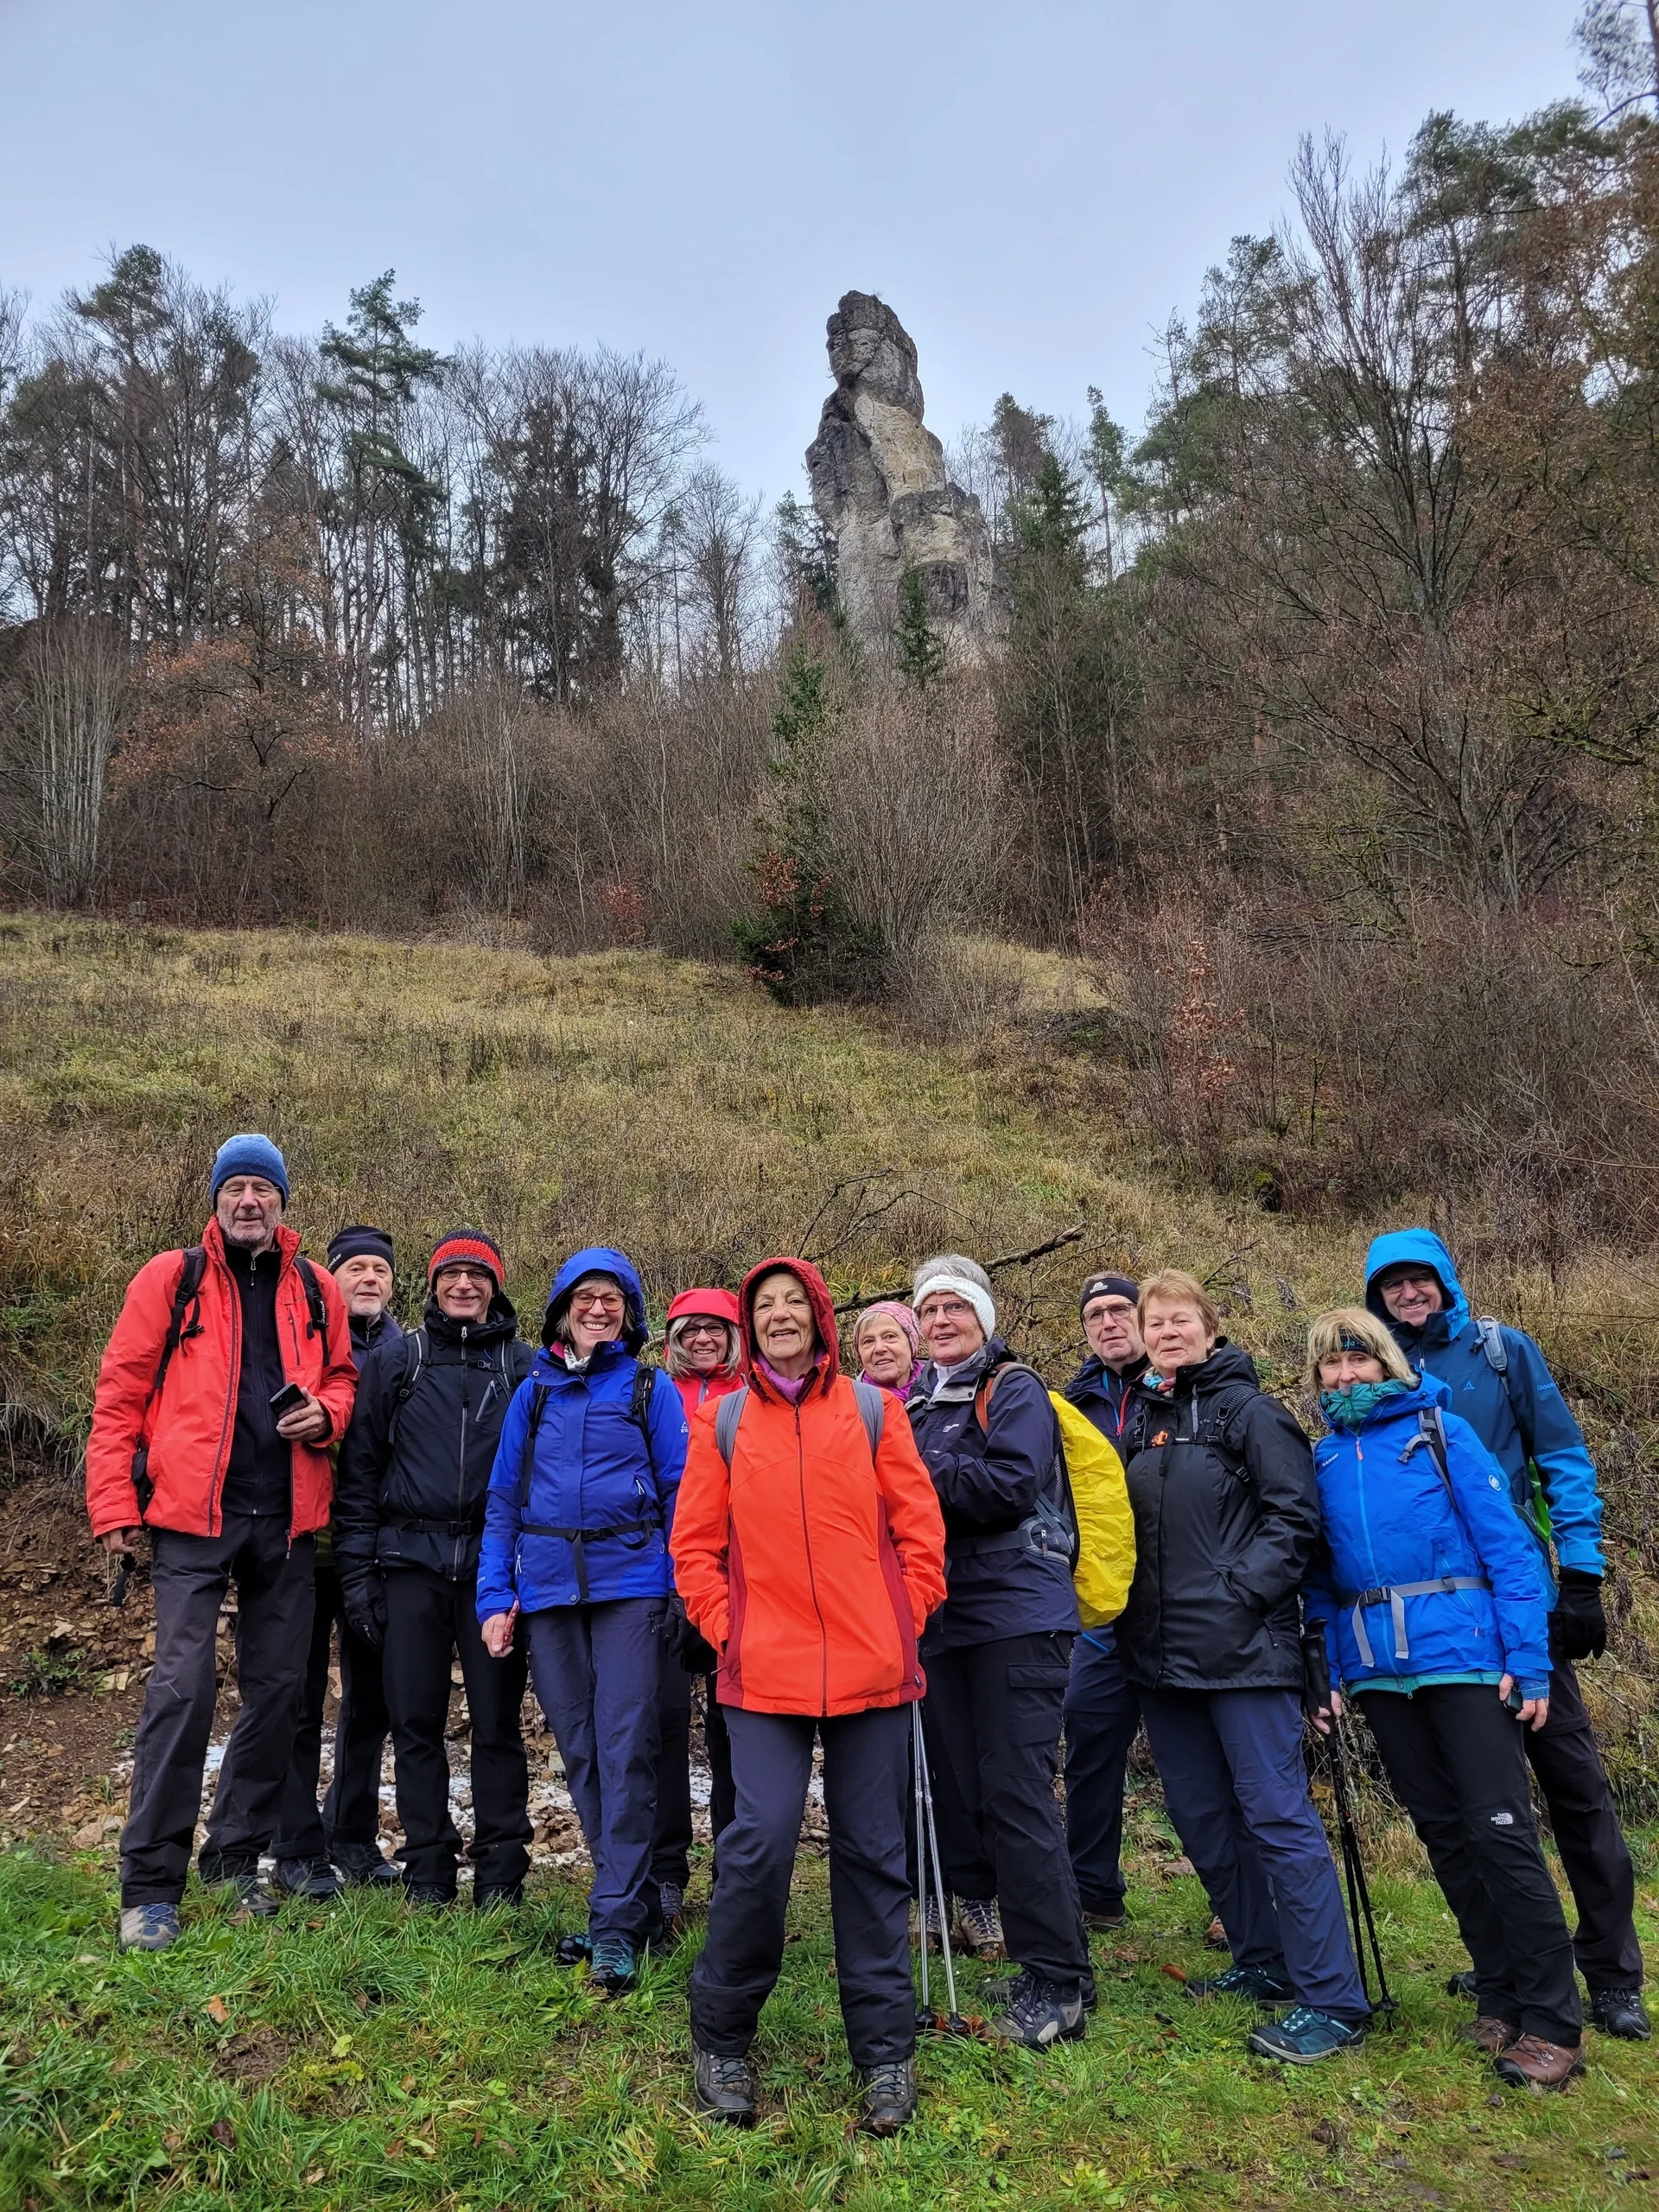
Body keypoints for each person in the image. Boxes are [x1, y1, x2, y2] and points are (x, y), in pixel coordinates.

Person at [671, 1257, 946, 2133]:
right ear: (750, 1327)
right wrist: (730, 1629)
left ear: (820, 1318)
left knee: (873, 1853)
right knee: (757, 1847)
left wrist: (905, 1620)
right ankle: (720, 2033)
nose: (781, 1315)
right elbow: (694, 1551)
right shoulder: (721, 1420)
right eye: (766, 1306)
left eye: (795, 1302)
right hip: (764, 1674)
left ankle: (886, 2053)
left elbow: (920, 1533)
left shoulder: (875, 1411)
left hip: (873, 1672)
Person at [1365, 1230, 1648, 2043]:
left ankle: (1611, 1969)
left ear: (1445, 1282)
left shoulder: (1500, 1353)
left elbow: (1562, 1457)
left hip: (1520, 1603)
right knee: (1473, 1804)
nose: (1409, 1295)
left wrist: (1583, 1574)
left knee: (1574, 1786)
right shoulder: (1382, 1377)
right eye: (1393, 1286)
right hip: (1441, 1629)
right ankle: (1517, 1965)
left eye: (1421, 1281)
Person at [1300, 1307, 1584, 2091]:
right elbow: (1321, 1579)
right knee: (1444, 1835)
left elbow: (1513, 1551)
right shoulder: (1325, 1458)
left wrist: (1528, 1660)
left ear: (1388, 1363)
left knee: (1501, 1834)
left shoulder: (1441, 1431)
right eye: (1331, 1365)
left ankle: (1554, 2021)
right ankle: (1498, 1991)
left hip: (1464, 1659)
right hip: (1378, 1672)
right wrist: (1325, 1664)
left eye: (1358, 1360)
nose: (1345, 1376)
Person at [86, 1135, 357, 1952]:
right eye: (235, 1188)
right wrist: (113, 1511)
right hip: (188, 1520)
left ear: (283, 1202)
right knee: (182, 1689)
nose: (249, 1201)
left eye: (261, 1189)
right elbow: (120, 1394)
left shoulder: (315, 1288)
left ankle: (234, 1855)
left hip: (286, 1519)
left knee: (279, 1693)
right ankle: (149, 1885)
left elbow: (344, 1377)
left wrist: (328, 1413)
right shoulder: (171, 1280)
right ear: (216, 1200)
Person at [1117, 1268, 1370, 2064]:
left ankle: (1333, 1996)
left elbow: (1295, 1519)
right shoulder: (1142, 1425)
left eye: (1180, 1318)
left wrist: (1239, 1595)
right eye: (1155, 1322)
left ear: (1209, 1326)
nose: (1168, 1331)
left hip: (1246, 1653)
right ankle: (1262, 1958)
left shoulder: (1252, 1412)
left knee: (1277, 1817)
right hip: (1160, 1661)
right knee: (1199, 1816)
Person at [478, 1248, 688, 1992]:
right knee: (583, 1750)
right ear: (563, 1308)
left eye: (613, 1300)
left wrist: (679, 1589)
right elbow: (503, 1504)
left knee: (627, 1747)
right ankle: (625, 1906)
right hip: (547, 1593)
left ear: (629, 1315)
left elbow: (680, 1494)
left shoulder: (648, 1388)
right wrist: (494, 1598)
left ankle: (614, 1923)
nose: (599, 1309)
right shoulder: (532, 1397)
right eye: (586, 1298)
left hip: (632, 1585)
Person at [907, 1252, 1091, 2047]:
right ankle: (1033, 1952)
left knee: (1016, 1792)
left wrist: (913, 1468)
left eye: (956, 1308)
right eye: (931, 1310)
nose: (942, 1321)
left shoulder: (1011, 1389)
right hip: (944, 1618)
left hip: (1017, 1613)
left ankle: (1060, 1980)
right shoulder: (915, 1403)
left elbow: (1010, 1485)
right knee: (973, 1793)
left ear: (983, 1319)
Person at [334, 1230, 534, 1910]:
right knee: (414, 1723)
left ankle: (502, 1873)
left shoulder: (524, 1367)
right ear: (432, 1283)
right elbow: (359, 1476)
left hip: (491, 1572)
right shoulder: (398, 1362)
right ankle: (428, 1869)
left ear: (495, 1287)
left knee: (497, 1725)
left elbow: (543, 1478)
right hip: (407, 1566)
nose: (464, 1286)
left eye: (478, 1276)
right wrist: (359, 1578)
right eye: (452, 1274)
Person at [270, 1225, 402, 1898]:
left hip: (377, 1555)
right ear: (331, 1278)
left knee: (371, 1700)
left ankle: (350, 1833)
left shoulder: (412, 1354)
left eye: (380, 1268)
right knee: (295, 1698)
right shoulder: (300, 1337)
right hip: (298, 1547)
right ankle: (295, 1844)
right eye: (356, 1267)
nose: (369, 1278)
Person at [654, 1287, 746, 1921]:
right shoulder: (654, 1394)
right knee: (660, 1730)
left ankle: (733, 1873)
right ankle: (664, 1871)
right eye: (691, 1331)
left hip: (736, 1583)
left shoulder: (754, 1398)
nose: (704, 1340)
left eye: (716, 1329)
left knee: (731, 1734)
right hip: (659, 1582)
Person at [1061, 1270, 1147, 1933]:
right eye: (1096, 1315)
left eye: (1121, 1309)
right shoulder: (1072, 1402)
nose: (1109, 1322)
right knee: (1090, 1746)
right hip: (1100, 1612)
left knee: (1207, 1758)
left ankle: (1243, 1901)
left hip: (1187, 1606)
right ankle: (1094, 1890)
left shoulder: (1187, 1388)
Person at [852, 1300, 925, 1402]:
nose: (879, 1348)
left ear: (911, 1342)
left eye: (890, 1336)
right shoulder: (851, 1403)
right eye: (868, 1341)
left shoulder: (941, 1386)